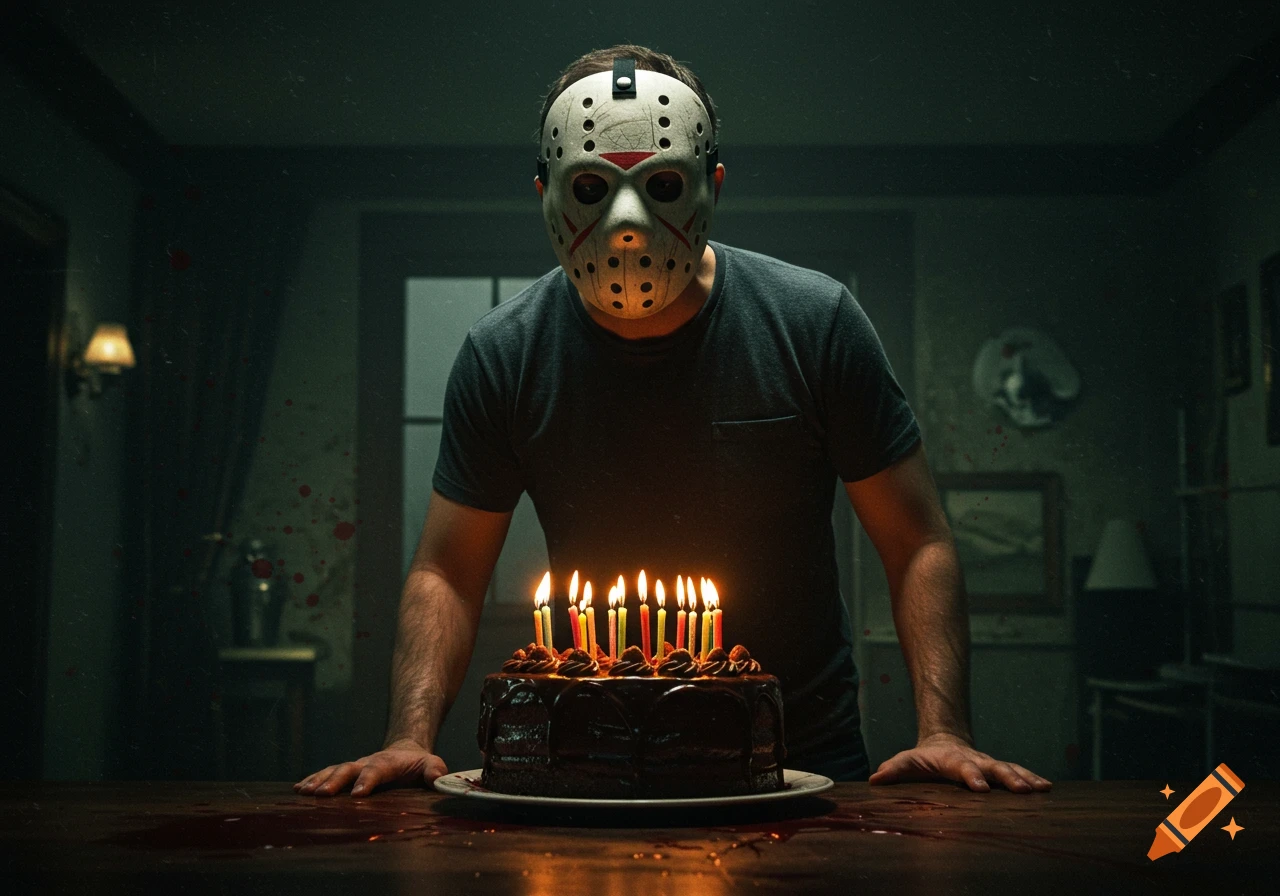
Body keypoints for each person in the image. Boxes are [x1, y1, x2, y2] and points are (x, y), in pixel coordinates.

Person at [296, 45, 1052, 798]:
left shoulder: (815, 322)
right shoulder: (505, 354)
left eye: (661, 184)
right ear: (545, 192)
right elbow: (447, 570)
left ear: (712, 186)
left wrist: (945, 730)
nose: (627, 224)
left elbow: (917, 539)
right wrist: (408, 737)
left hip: (801, 756)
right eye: (591, 186)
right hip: (586, 760)